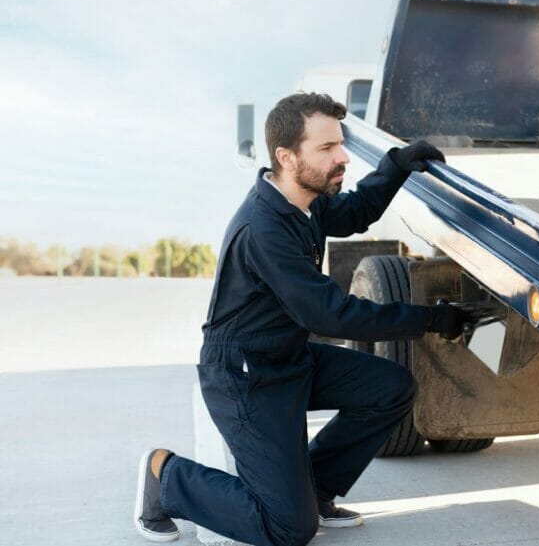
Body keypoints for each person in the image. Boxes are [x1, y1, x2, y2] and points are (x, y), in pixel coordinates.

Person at [133, 93, 474, 545]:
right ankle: (166, 478)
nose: (343, 156)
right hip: (245, 378)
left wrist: (396, 164)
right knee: (287, 529)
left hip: (288, 358)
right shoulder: (264, 227)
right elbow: (329, 314)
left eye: (340, 144)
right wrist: (429, 319)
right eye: (327, 148)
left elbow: (355, 212)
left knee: (390, 388)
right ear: (286, 156)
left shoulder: (305, 200)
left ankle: (314, 488)